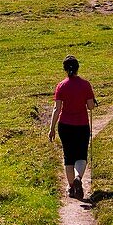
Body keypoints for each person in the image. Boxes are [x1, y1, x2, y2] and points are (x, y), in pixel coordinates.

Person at [48, 55, 97, 199]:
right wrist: (93, 101)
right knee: (81, 154)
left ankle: (70, 188)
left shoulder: (61, 86)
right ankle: (78, 178)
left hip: (65, 125)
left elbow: (57, 109)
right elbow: (90, 106)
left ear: (64, 69)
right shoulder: (85, 84)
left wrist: (51, 129)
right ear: (77, 68)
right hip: (82, 125)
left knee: (68, 157)